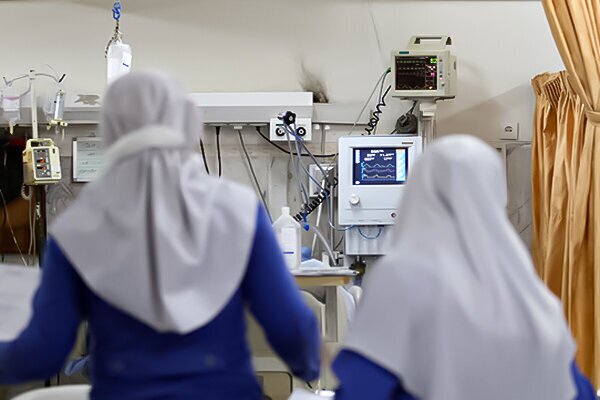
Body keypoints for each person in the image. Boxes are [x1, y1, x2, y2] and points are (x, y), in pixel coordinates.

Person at [0, 71, 320, 399]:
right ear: (188, 124)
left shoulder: (75, 231)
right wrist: (309, 368)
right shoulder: (239, 212)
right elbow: (291, 328)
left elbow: (41, 353)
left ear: (109, 132)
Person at [333, 135, 596, 400]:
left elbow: (361, 389)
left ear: (416, 193)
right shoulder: (527, 293)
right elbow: (575, 390)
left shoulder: (401, 278)